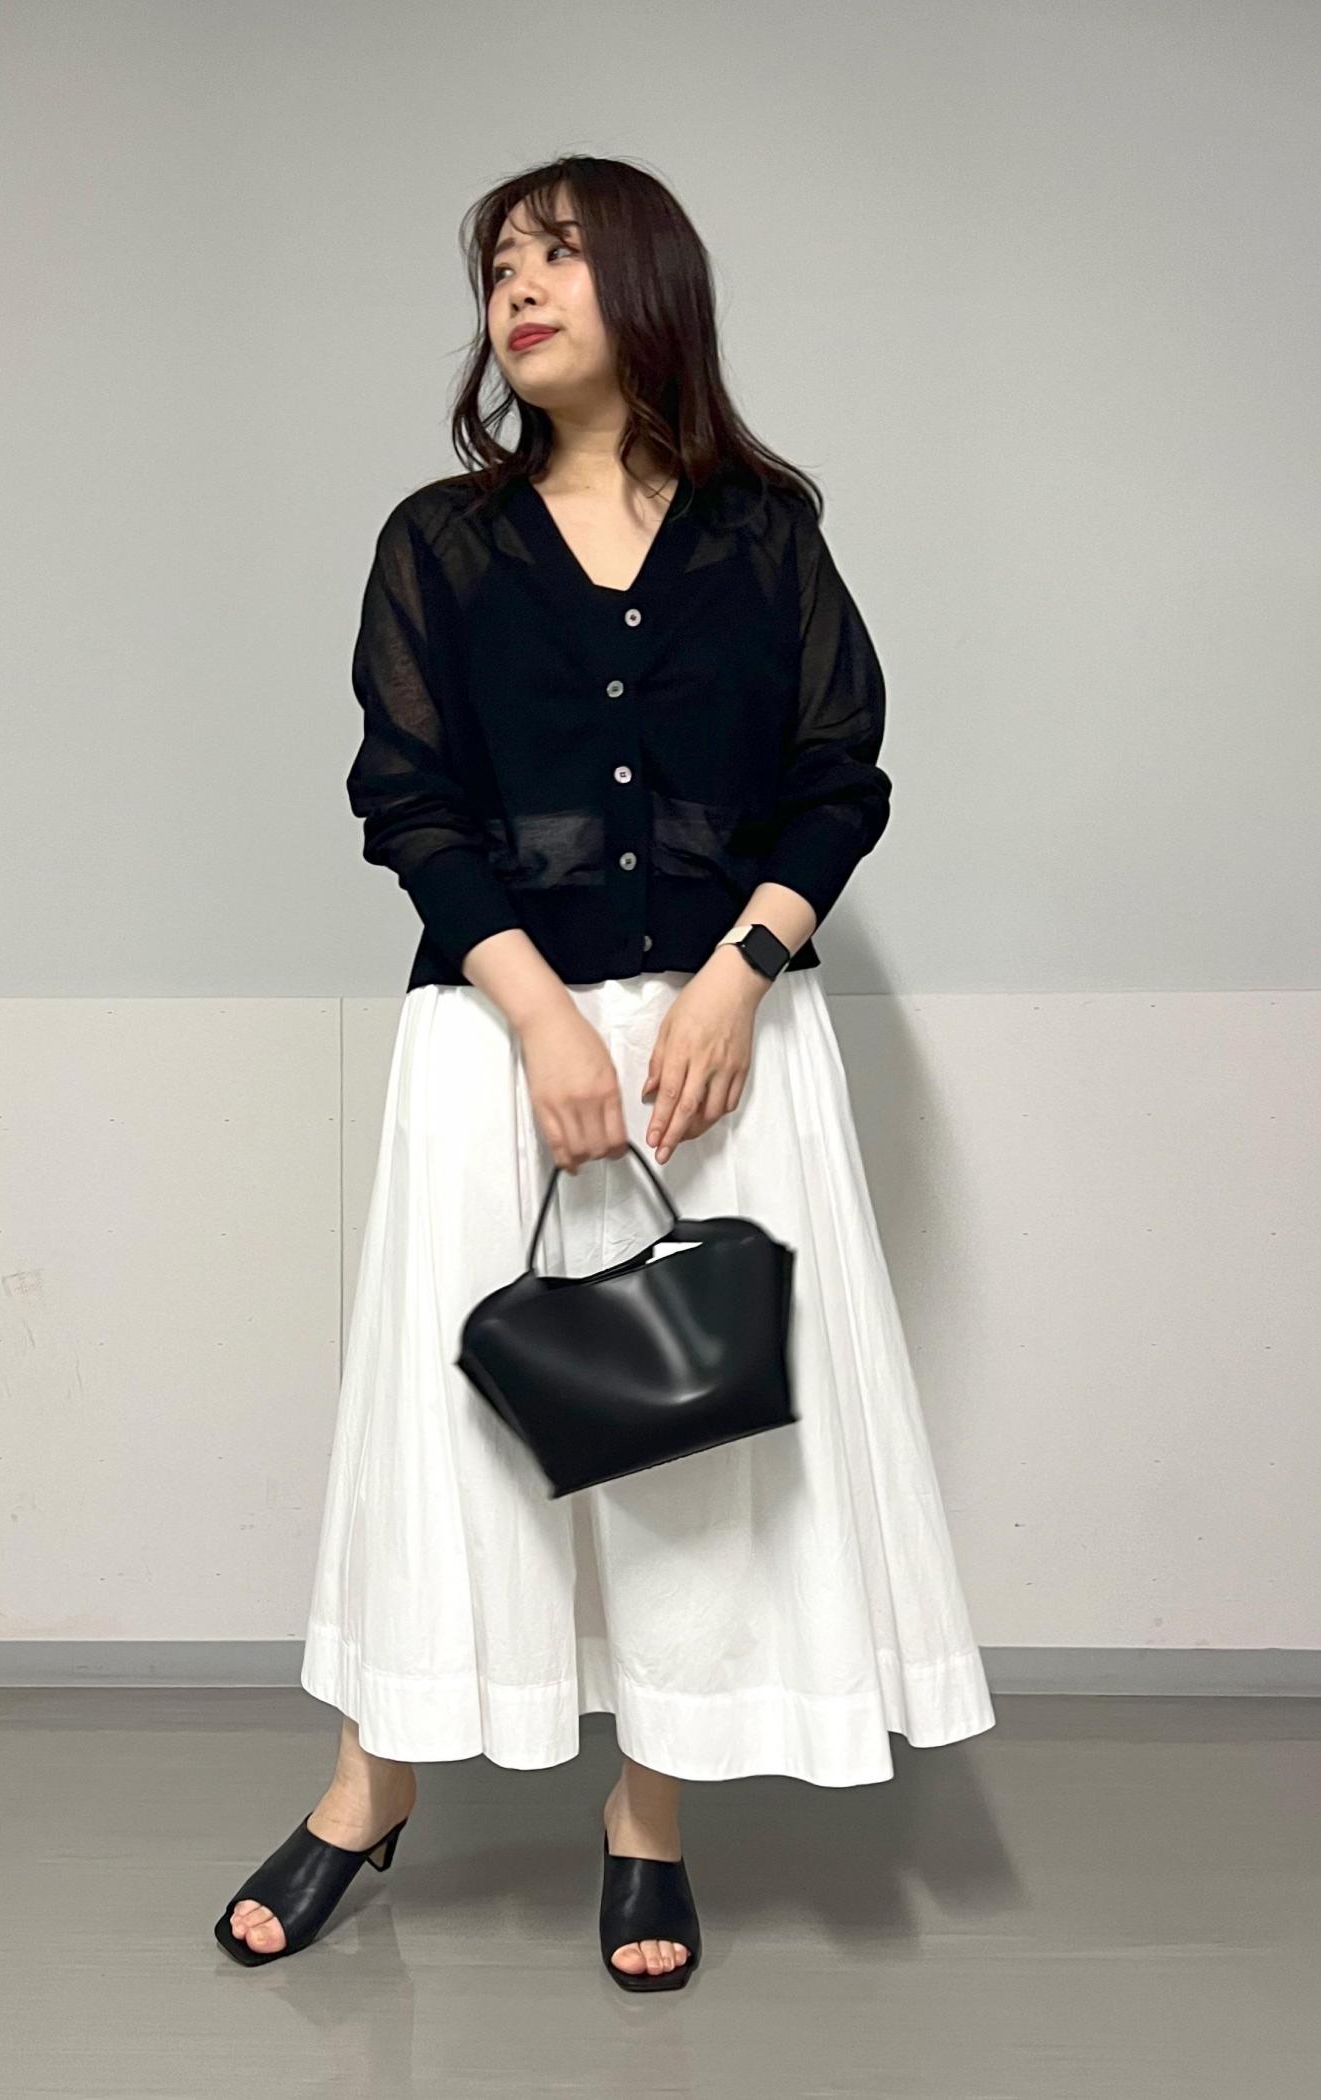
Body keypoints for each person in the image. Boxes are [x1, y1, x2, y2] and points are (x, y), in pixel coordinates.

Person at [215, 154, 995, 1990]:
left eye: (556, 252)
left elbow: (840, 778)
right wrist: (544, 1014)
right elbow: (405, 799)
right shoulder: (442, 542)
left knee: (693, 1424)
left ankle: (650, 1818)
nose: (518, 286)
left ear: (647, 284)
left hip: (726, 1042)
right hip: (497, 1033)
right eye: (499, 262)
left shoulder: (767, 538)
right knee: (458, 1429)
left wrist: (739, 978)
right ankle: (370, 1787)